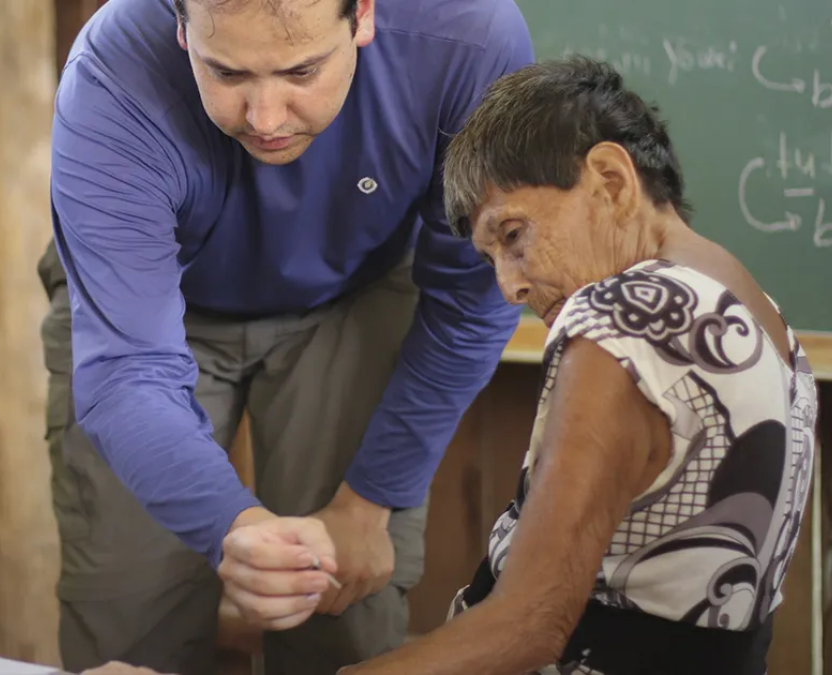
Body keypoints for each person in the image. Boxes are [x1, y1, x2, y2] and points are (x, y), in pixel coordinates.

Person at [38, 0, 535, 672]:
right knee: (129, 620)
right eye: (227, 73)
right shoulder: (110, 72)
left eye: (301, 71)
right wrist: (235, 529)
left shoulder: (468, 36)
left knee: (342, 615)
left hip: (355, 295)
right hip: (151, 309)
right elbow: (127, 369)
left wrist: (371, 501)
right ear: (182, 25)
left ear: (362, 14)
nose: (265, 118)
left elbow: (472, 298)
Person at [332, 56, 819, 675]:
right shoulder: (760, 312)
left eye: (513, 234)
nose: (509, 286)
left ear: (611, 181)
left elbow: (528, 627)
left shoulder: (623, 315)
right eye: (490, 259)